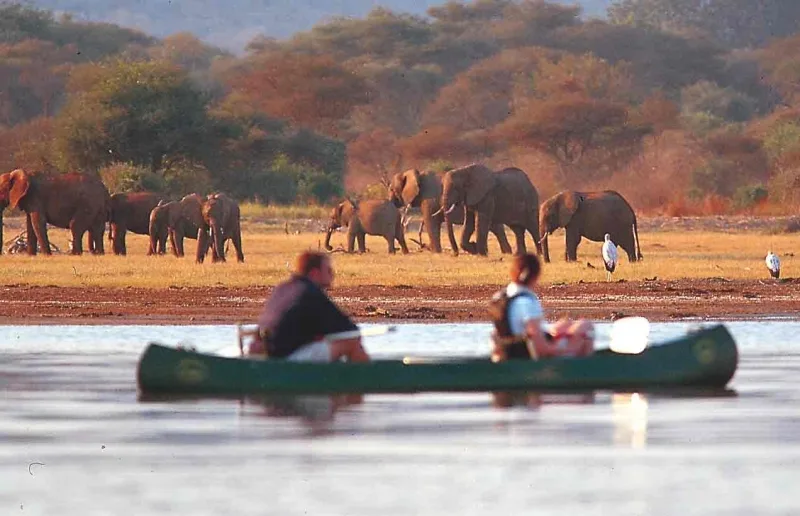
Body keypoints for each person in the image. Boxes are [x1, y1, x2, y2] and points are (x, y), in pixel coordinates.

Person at [249, 251, 370, 362]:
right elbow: (350, 332)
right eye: (328, 270)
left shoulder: (283, 288)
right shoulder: (310, 293)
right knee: (351, 344)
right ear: (315, 273)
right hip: (287, 358)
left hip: (270, 353)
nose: (332, 274)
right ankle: (368, 380)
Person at [490, 253, 594, 361]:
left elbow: (499, 336)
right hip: (528, 360)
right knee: (585, 326)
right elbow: (540, 349)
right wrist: (571, 348)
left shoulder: (499, 297)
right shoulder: (527, 302)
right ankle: (585, 371)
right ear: (536, 275)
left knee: (565, 324)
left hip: (508, 353)